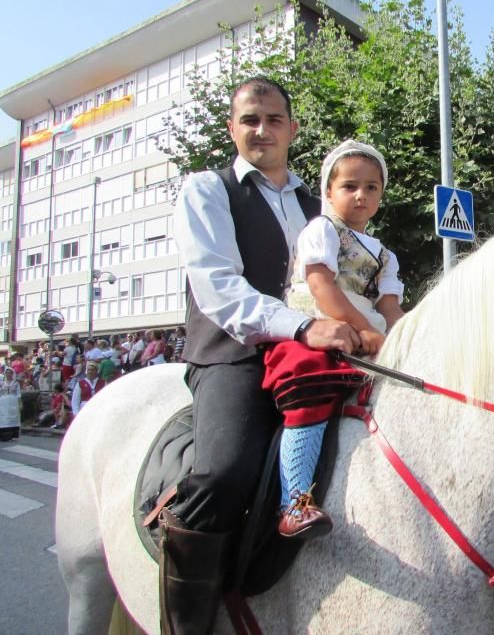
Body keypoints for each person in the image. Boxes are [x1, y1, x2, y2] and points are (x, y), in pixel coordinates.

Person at [167, 76, 359, 634]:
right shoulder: (207, 190)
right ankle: (190, 623)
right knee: (225, 474)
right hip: (235, 354)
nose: (262, 129)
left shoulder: (319, 205)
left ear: (293, 130)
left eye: (274, 119)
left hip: (314, 352)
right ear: (232, 129)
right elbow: (220, 290)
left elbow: (349, 280)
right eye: (250, 119)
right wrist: (304, 326)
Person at [275, 139, 405, 539]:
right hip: (315, 327)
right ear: (329, 192)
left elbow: (390, 309)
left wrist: (404, 337)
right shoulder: (322, 231)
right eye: (349, 186)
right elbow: (322, 288)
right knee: (311, 381)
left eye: (371, 187)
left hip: (365, 334)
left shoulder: (385, 255)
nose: (361, 195)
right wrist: (362, 330)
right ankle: (294, 499)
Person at [0, 368, 21, 442]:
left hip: (13, 402)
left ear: (13, 374)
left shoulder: (16, 383)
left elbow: (18, 394)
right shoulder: (1, 383)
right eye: (7, 373)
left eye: (10, 373)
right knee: (4, 417)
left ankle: (13, 435)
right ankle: (4, 436)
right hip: (3, 402)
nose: (8, 374)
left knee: (13, 417)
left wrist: (20, 404)